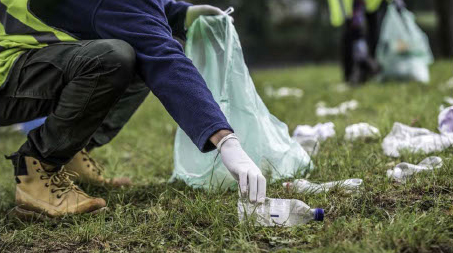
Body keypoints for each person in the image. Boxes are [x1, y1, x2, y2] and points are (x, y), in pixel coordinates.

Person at [0, 0, 266, 219]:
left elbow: (135, 11)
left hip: (23, 61)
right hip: (6, 76)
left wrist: (182, 13)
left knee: (135, 50)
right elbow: (162, 56)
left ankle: (69, 154)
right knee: (113, 58)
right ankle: (38, 169)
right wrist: (225, 141)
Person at [328, 0, 390, 84]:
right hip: (352, 7)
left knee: (371, 33)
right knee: (353, 34)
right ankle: (354, 74)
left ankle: (365, 71)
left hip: (369, 5)